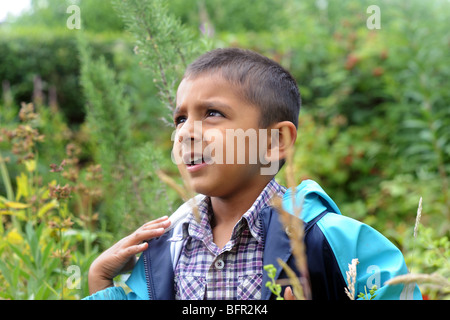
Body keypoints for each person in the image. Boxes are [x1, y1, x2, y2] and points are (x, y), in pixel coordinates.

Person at [84, 48, 421, 300]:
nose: (185, 132)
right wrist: (100, 280)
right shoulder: (164, 251)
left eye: (212, 113)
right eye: (180, 119)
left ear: (275, 141)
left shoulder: (336, 242)